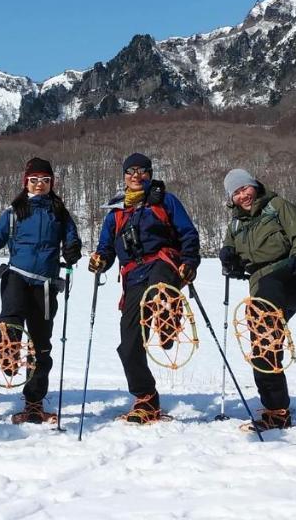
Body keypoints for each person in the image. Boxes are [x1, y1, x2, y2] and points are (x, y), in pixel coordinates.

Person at [0, 157, 83, 423]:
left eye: (45, 181)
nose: (40, 185)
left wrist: (73, 250)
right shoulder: (14, 211)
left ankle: (34, 403)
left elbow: (72, 237)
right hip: (17, 276)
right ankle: (8, 354)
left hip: (46, 284)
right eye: (35, 180)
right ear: (26, 182)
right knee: (11, 320)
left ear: (52, 183)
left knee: (41, 345)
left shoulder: (59, 212)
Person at [88, 153, 201, 423]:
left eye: (142, 171)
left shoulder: (165, 200)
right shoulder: (115, 212)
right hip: (133, 275)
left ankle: (167, 319)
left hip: (163, 261)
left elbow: (188, 233)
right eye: (130, 171)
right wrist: (100, 259)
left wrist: (190, 261)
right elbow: (106, 247)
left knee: (160, 289)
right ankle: (146, 398)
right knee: (128, 344)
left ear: (150, 174)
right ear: (124, 176)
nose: (136, 176)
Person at [218, 169, 296, 430]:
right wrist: (229, 260)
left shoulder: (277, 206)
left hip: (292, 276)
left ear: (254, 186)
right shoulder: (235, 225)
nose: (243, 196)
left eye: (245, 188)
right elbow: (236, 260)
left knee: (263, 329)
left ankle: (276, 410)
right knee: (263, 341)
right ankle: (276, 409)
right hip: (261, 285)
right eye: (236, 193)